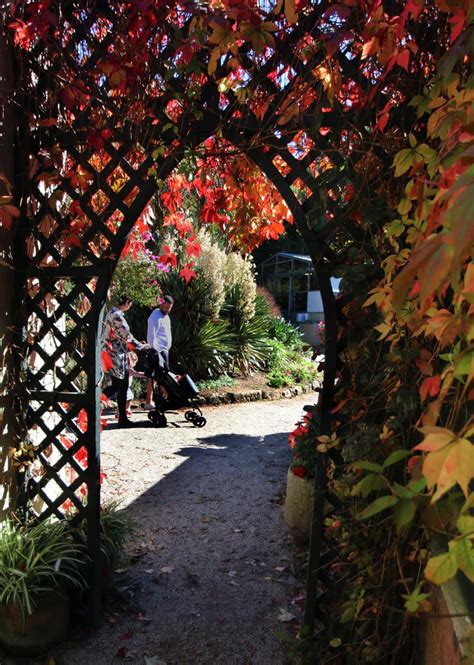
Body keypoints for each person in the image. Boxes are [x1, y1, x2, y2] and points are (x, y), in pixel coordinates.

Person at [101, 296, 147, 427]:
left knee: (117, 385)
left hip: (115, 353)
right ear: (127, 302)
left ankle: (121, 417)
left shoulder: (113, 313)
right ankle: (122, 419)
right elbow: (126, 335)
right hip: (116, 354)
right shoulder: (116, 315)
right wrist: (141, 346)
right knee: (121, 385)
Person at [145, 294, 174, 409]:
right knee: (154, 377)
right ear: (161, 304)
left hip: (164, 350)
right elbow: (151, 335)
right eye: (166, 307)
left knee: (162, 376)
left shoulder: (166, 316)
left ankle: (165, 399)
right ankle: (149, 401)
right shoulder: (155, 316)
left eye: (169, 308)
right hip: (158, 351)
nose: (167, 310)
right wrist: (155, 351)